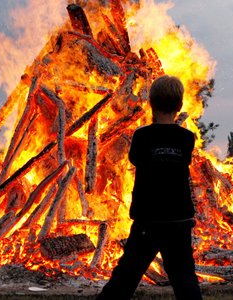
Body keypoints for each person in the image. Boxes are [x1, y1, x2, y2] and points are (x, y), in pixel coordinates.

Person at [97, 75, 201, 300]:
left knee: (126, 276)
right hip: (178, 219)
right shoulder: (186, 138)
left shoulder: (142, 136)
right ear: (180, 106)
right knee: (184, 277)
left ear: (151, 104)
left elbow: (135, 160)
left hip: (148, 219)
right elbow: (184, 161)